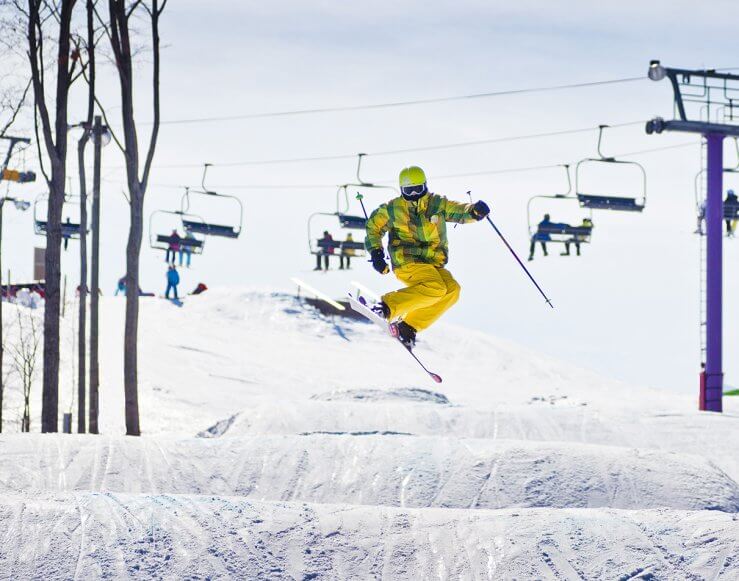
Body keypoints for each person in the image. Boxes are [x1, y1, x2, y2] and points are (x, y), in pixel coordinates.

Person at [365, 165, 489, 349]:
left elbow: (458, 210)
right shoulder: (392, 209)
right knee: (436, 288)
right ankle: (385, 306)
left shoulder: (437, 204)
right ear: (401, 190)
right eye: (409, 190)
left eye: (418, 189)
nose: (414, 194)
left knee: (452, 291)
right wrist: (376, 253)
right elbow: (373, 227)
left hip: (432, 264)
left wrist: (474, 211)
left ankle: (407, 327)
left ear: (425, 186)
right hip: (406, 260)